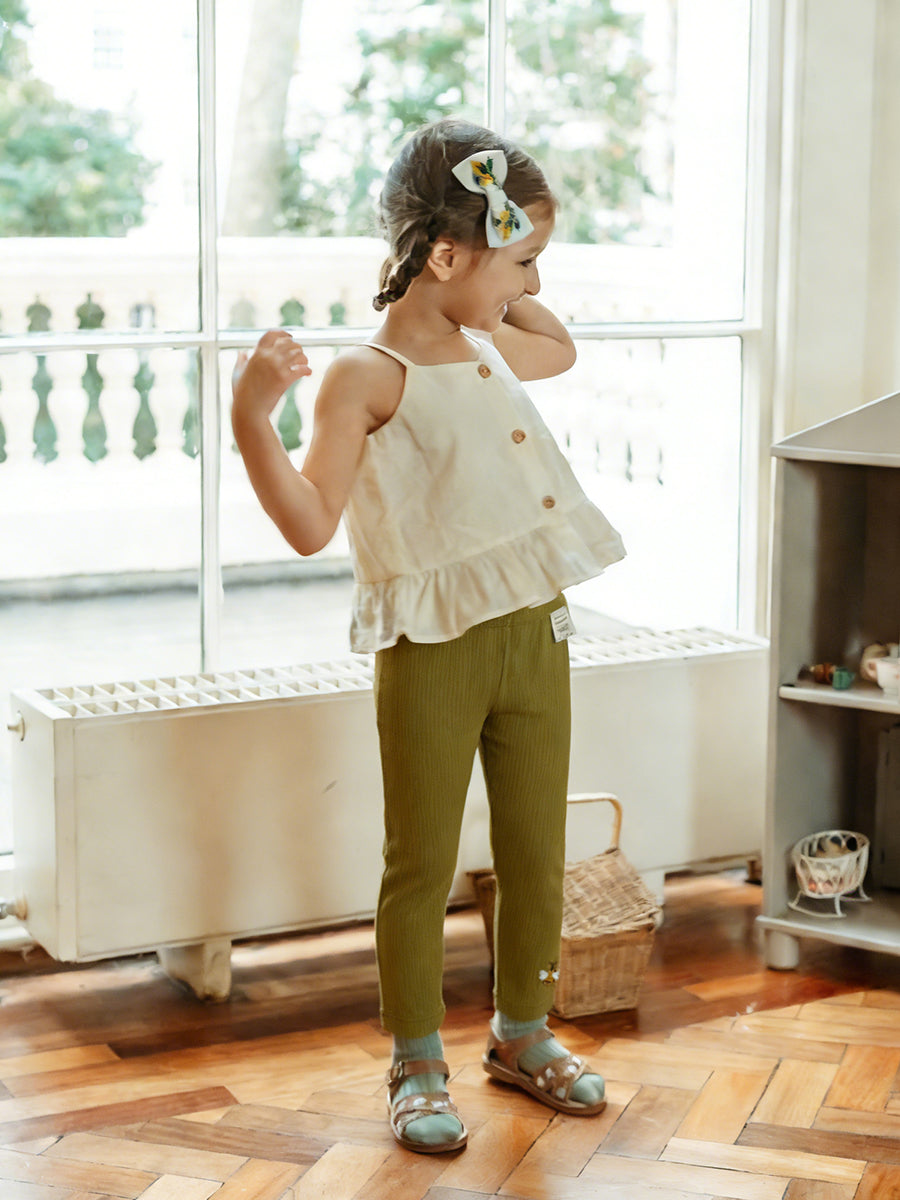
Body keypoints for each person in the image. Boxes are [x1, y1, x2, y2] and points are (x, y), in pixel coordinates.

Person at [231, 117, 625, 1155]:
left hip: (534, 629)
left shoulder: (491, 343)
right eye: (523, 263)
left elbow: (561, 345)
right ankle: (414, 1061)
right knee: (421, 862)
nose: (533, 286)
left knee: (536, 848)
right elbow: (310, 523)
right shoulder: (365, 376)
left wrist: (502, 264)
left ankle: (523, 1032)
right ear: (446, 256)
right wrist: (251, 419)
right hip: (433, 647)